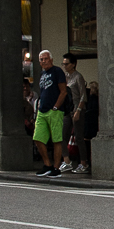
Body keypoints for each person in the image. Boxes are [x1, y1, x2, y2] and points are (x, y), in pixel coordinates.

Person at [31, 49, 70, 178]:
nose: (43, 61)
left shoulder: (57, 71)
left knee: (57, 139)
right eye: (41, 59)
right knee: (38, 137)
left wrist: (56, 106)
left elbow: (63, 91)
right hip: (42, 110)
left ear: (51, 59)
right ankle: (47, 164)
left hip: (54, 111)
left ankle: (56, 167)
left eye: (45, 59)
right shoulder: (42, 74)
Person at [58, 55, 87, 172]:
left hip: (76, 108)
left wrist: (79, 111)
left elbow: (83, 95)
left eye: (67, 64)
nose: (64, 66)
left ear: (73, 64)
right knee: (61, 135)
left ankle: (83, 163)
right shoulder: (64, 77)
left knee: (79, 137)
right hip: (67, 108)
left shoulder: (78, 77)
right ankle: (67, 161)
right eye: (63, 64)